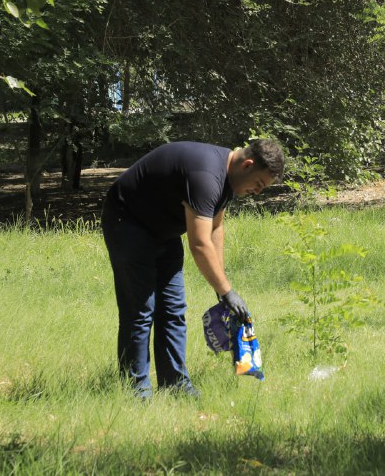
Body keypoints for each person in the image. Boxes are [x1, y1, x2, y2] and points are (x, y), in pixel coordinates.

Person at [102, 139, 284, 399]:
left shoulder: (227, 179)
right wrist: (227, 292)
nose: (257, 191)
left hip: (163, 231)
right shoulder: (206, 175)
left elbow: (215, 229)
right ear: (248, 164)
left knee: (173, 310)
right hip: (128, 222)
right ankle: (135, 391)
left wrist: (219, 284)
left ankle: (175, 385)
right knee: (141, 311)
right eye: (259, 184)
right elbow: (199, 244)